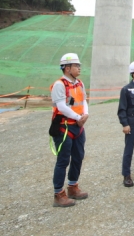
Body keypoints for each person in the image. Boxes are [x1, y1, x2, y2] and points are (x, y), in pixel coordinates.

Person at [50, 53, 89, 207]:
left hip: (78, 126)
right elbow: (61, 106)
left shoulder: (79, 83)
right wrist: (78, 117)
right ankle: (58, 194)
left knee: (78, 156)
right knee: (63, 160)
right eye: (76, 66)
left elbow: (84, 100)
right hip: (64, 127)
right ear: (67, 68)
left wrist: (85, 114)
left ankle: (73, 186)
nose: (79, 68)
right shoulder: (59, 85)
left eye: (79, 65)